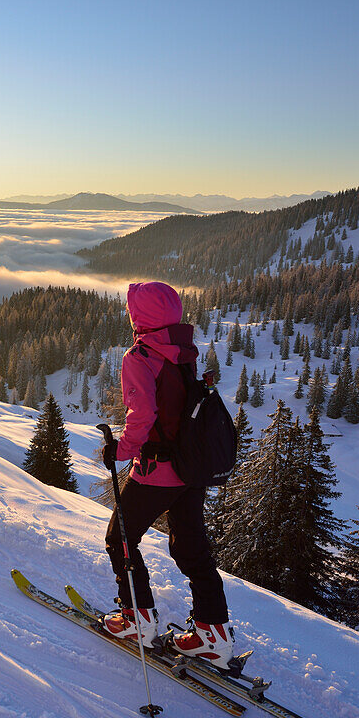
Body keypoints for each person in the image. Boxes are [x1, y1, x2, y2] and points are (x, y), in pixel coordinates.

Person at [100, 281, 234, 668]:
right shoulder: (183, 350)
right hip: (190, 469)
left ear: (139, 317)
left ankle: (136, 619)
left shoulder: (140, 356)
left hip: (157, 470)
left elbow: (142, 417)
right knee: (192, 549)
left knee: (120, 538)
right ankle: (213, 634)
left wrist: (119, 452)